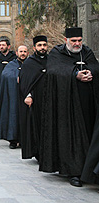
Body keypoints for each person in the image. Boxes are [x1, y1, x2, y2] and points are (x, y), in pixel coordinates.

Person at [39, 28, 98, 187]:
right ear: (66, 40)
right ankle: (74, 171)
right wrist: (74, 74)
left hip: (88, 104)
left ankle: (88, 170)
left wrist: (90, 72)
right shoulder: (58, 53)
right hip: (66, 105)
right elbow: (54, 71)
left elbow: (95, 66)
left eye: (79, 40)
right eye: (74, 41)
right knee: (71, 137)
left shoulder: (86, 52)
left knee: (88, 133)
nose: (77, 44)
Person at [0, 45, 29, 149]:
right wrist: (17, 77)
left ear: (28, 53)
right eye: (21, 51)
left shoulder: (30, 64)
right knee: (13, 116)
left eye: (25, 51)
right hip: (14, 96)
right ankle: (13, 139)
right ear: (17, 53)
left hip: (27, 96)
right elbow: (6, 75)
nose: (23, 53)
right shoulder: (12, 64)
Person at [18, 35, 48, 160]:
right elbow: (25, 81)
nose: (42, 48)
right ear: (35, 47)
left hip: (50, 98)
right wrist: (28, 95)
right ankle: (38, 152)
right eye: (39, 45)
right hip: (36, 100)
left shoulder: (53, 60)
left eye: (44, 45)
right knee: (37, 126)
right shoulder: (29, 63)